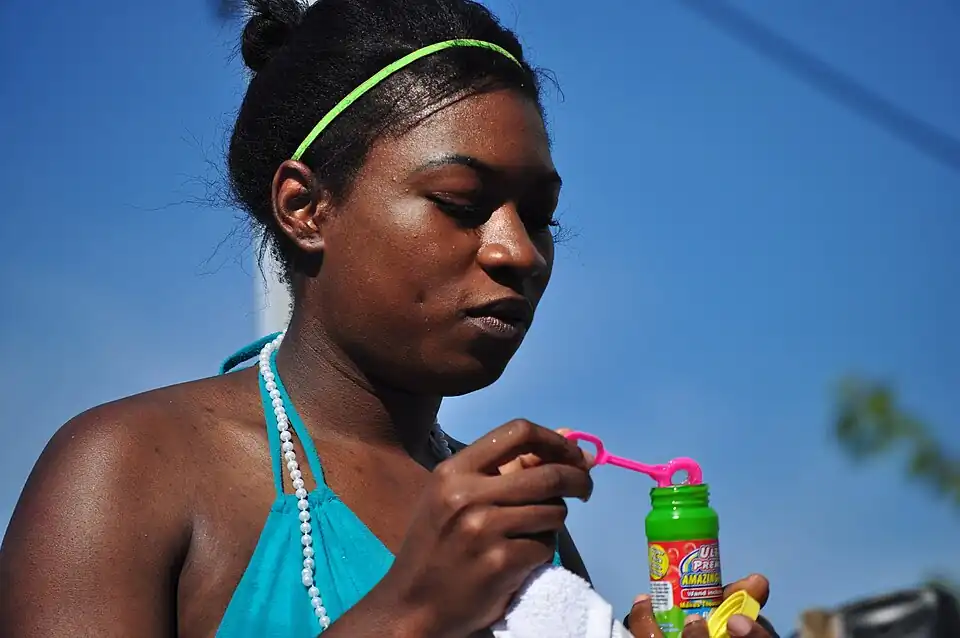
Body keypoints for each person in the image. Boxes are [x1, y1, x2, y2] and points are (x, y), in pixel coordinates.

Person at [0, 0, 776, 636]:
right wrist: (410, 615)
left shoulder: (509, 517)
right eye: (461, 205)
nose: (519, 252)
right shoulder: (129, 468)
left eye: (540, 217)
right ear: (307, 207)